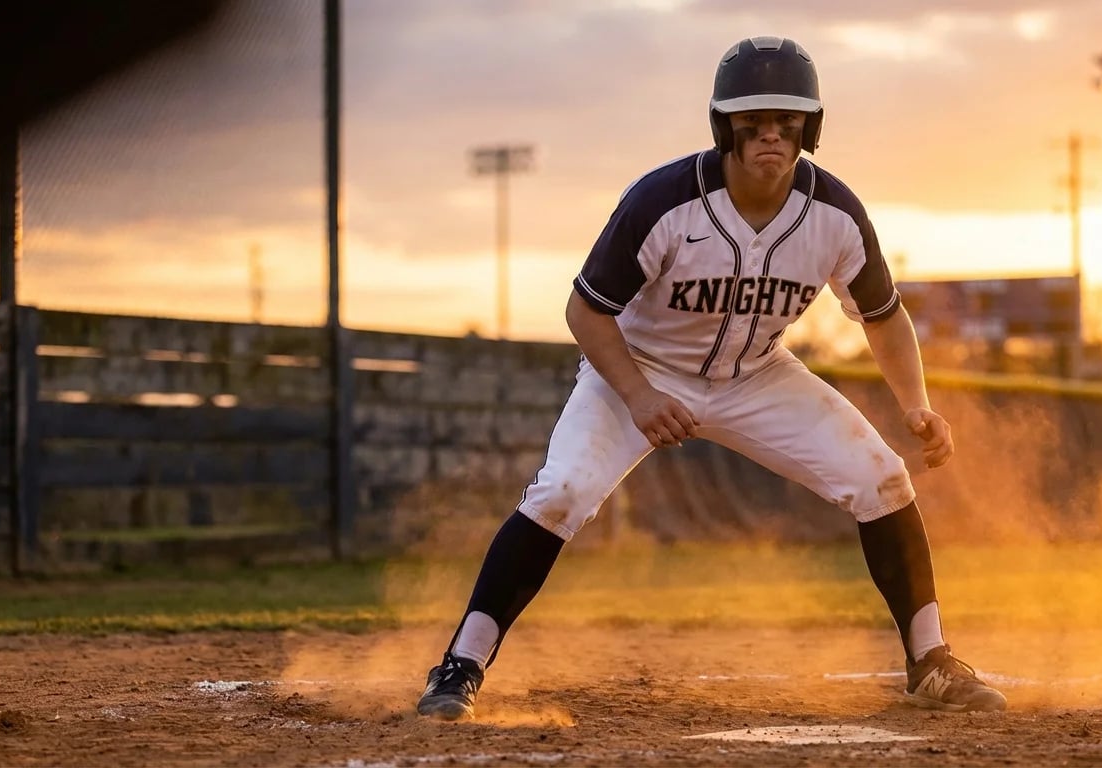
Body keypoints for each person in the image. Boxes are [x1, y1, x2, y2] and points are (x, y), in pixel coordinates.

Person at [416, 35, 1007, 721]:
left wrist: (916, 405)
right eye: (752, 122)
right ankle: (462, 664)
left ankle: (930, 662)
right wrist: (638, 396)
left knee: (882, 478)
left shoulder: (835, 214)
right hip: (637, 368)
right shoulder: (665, 200)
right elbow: (586, 311)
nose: (769, 137)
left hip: (756, 375)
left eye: (786, 123)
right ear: (724, 126)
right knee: (561, 493)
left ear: (807, 129)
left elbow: (883, 315)